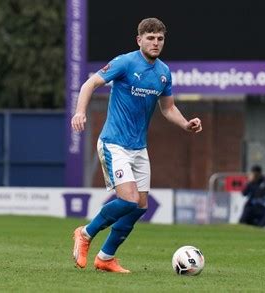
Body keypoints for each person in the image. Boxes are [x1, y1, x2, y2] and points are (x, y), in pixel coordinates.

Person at [70, 18, 202, 273]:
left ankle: (106, 258)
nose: (155, 42)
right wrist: (79, 112)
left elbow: (168, 108)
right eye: (150, 38)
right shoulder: (125, 62)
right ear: (139, 39)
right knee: (129, 200)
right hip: (114, 143)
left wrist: (186, 125)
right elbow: (90, 84)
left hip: (138, 148)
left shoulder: (164, 72)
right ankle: (85, 233)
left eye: (160, 38)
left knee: (140, 207)